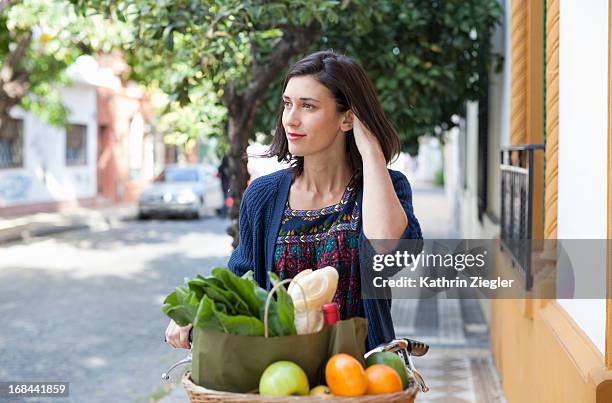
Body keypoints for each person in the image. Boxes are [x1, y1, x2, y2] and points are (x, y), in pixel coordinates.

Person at [165, 49, 422, 350]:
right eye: (288, 104)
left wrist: (372, 153)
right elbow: (240, 280)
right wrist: (193, 307)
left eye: (308, 106)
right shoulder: (263, 195)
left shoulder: (387, 188)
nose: (291, 119)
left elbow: (392, 254)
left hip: (361, 380)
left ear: (347, 119)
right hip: (277, 376)